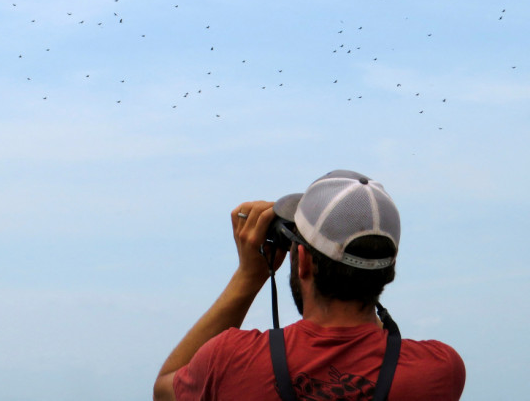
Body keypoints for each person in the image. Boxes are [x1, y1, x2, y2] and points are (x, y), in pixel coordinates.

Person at [153, 170, 465, 401]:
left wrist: (250, 275)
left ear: (302, 260)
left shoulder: (229, 360)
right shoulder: (437, 369)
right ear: (389, 269)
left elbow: (165, 390)